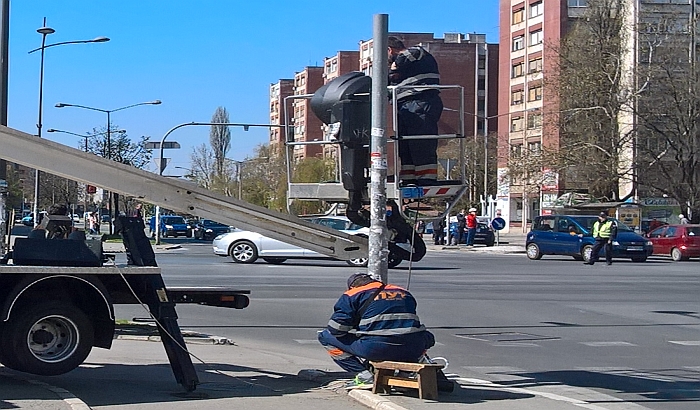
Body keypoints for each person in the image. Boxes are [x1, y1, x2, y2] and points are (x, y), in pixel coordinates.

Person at [318, 273, 435, 387]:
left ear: (352, 286)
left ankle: (363, 375)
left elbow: (336, 329)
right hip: (414, 348)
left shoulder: (352, 294)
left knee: (325, 336)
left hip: (375, 348)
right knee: (427, 337)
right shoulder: (403, 292)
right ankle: (406, 372)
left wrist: (356, 325)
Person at [388, 36, 443, 186]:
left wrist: (396, 64)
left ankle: (426, 178)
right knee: (405, 145)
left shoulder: (417, 53)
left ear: (389, 50)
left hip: (421, 101)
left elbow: (408, 55)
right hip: (405, 106)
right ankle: (408, 177)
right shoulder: (404, 70)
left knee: (421, 142)